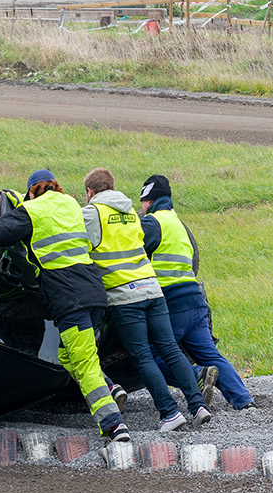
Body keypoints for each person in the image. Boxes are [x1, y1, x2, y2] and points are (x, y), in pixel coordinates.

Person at [0, 169, 132, 443]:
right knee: (68, 356)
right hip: (94, 293)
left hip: (69, 298)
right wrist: (23, 202)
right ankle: (109, 385)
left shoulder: (31, 212)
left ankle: (113, 425)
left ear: (31, 192)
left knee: (83, 363)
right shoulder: (72, 203)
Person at [82, 168, 209, 432]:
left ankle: (170, 413)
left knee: (142, 357)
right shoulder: (132, 213)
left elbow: (80, 249)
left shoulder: (91, 214)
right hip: (152, 289)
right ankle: (197, 407)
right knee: (170, 349)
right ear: (113, 186)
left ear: (90, 192)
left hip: (124, 295)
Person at [139, 174, 255, 410]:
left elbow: (131, 256)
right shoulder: (179, 225)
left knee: (149, 356)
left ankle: (197, 377)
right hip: (195, 299)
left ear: (148, 200)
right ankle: (244, 402)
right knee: (211, 355)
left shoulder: (152, 223)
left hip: (171, 303)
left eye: (142, 202)